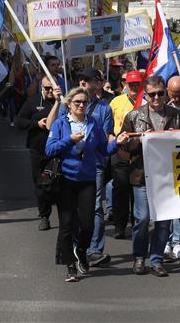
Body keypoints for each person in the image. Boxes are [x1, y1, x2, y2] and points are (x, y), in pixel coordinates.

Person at [117, 76, 180, 277]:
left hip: (167, 175)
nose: (156, 97)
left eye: (160, 93)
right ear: (145, 96)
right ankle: (139, 256)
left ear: (166, 93)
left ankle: (156, 259)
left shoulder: (177, 115)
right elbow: (123, 148)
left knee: (163, 219)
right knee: (142, 218)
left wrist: (176, 138)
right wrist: (139, 140)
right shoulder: (134, 116)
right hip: (141, 174)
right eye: (152, 94)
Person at [46, 87, 115, 282]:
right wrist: (69, 139)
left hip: (87, 180)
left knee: (87, 224)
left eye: (84, 102)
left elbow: (104, 149)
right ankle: (70, 266)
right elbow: (49, 149)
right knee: (67, 224)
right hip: (66, 180)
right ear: (69, 104)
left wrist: (118, 142)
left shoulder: (93, 123)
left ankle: (81, 250)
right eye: (77, 102)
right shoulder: (61, 124)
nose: (81, 105)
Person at [16, 76, 63, 232]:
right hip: (38, 149)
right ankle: (44, 215)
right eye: (46, 88)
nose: (49, 91)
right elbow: (19, 121)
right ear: (41, 87)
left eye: (52, 88)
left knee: (58, 183)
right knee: (41, 184)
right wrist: (36, 124)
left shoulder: (63, 102)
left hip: (57, 150)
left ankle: (64, 215)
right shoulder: (33, 101)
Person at [109, 70, 143, 239]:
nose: (135, 87)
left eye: (138, 83)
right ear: (125, 85)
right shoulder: (116, 101)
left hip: (139, 152)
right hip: (120, 150)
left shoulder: (146, 101)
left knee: (137, 189)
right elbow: (109, 123)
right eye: (131, 84)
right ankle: (119, 225)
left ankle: (138, 224)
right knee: (120, 189)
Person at [163, 75, 180, 262]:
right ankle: (164, 241)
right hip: (163, 165)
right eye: (173, 94)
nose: (176, 98)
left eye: (179, 94)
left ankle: (178, 241)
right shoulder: (161, 109)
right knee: (165, 204)